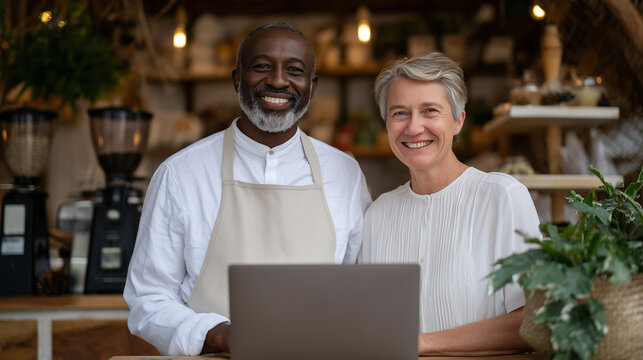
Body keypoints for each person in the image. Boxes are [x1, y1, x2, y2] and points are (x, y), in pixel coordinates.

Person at [124, 22, 371, 356]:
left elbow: (361, 285)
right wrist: (217, 334)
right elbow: (148, 300)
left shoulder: (345, 173)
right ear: (237, 79)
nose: (279, 80)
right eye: (262, 67)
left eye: (294, 70)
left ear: (311, 86)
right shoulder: (180, 174)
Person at [358, 52, 540, 356]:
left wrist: (422, 343)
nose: (413, 127)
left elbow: (535, 320)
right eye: (399, 113)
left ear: (458, 121)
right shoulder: (378, 214)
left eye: (430, 110)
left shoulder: (502, 197)